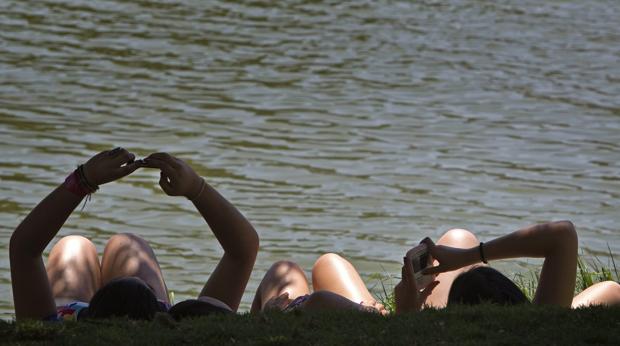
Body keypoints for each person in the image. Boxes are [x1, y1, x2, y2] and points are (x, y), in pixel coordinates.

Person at [9, 148, 259, 321]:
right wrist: (196, 188)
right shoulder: (188, 330)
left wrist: (83, 179)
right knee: (128, 245)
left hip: (78, 314)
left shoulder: (53, 334)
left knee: (73, 247)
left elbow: (23, 249)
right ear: (163, 317)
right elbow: (242, 251)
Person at [394, 221, 620, 312]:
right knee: (611, 289)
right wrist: (470, 256)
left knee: (458, 236)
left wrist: (408, 315)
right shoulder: (540, 330)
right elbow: (562, 234)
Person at [251, 254, 388, 314]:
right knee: (329, 261)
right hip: (298, 310)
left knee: (282, 269)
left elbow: (320, 299)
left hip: (291, 316)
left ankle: (366, 311)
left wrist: (272, 317)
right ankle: (367, 309)